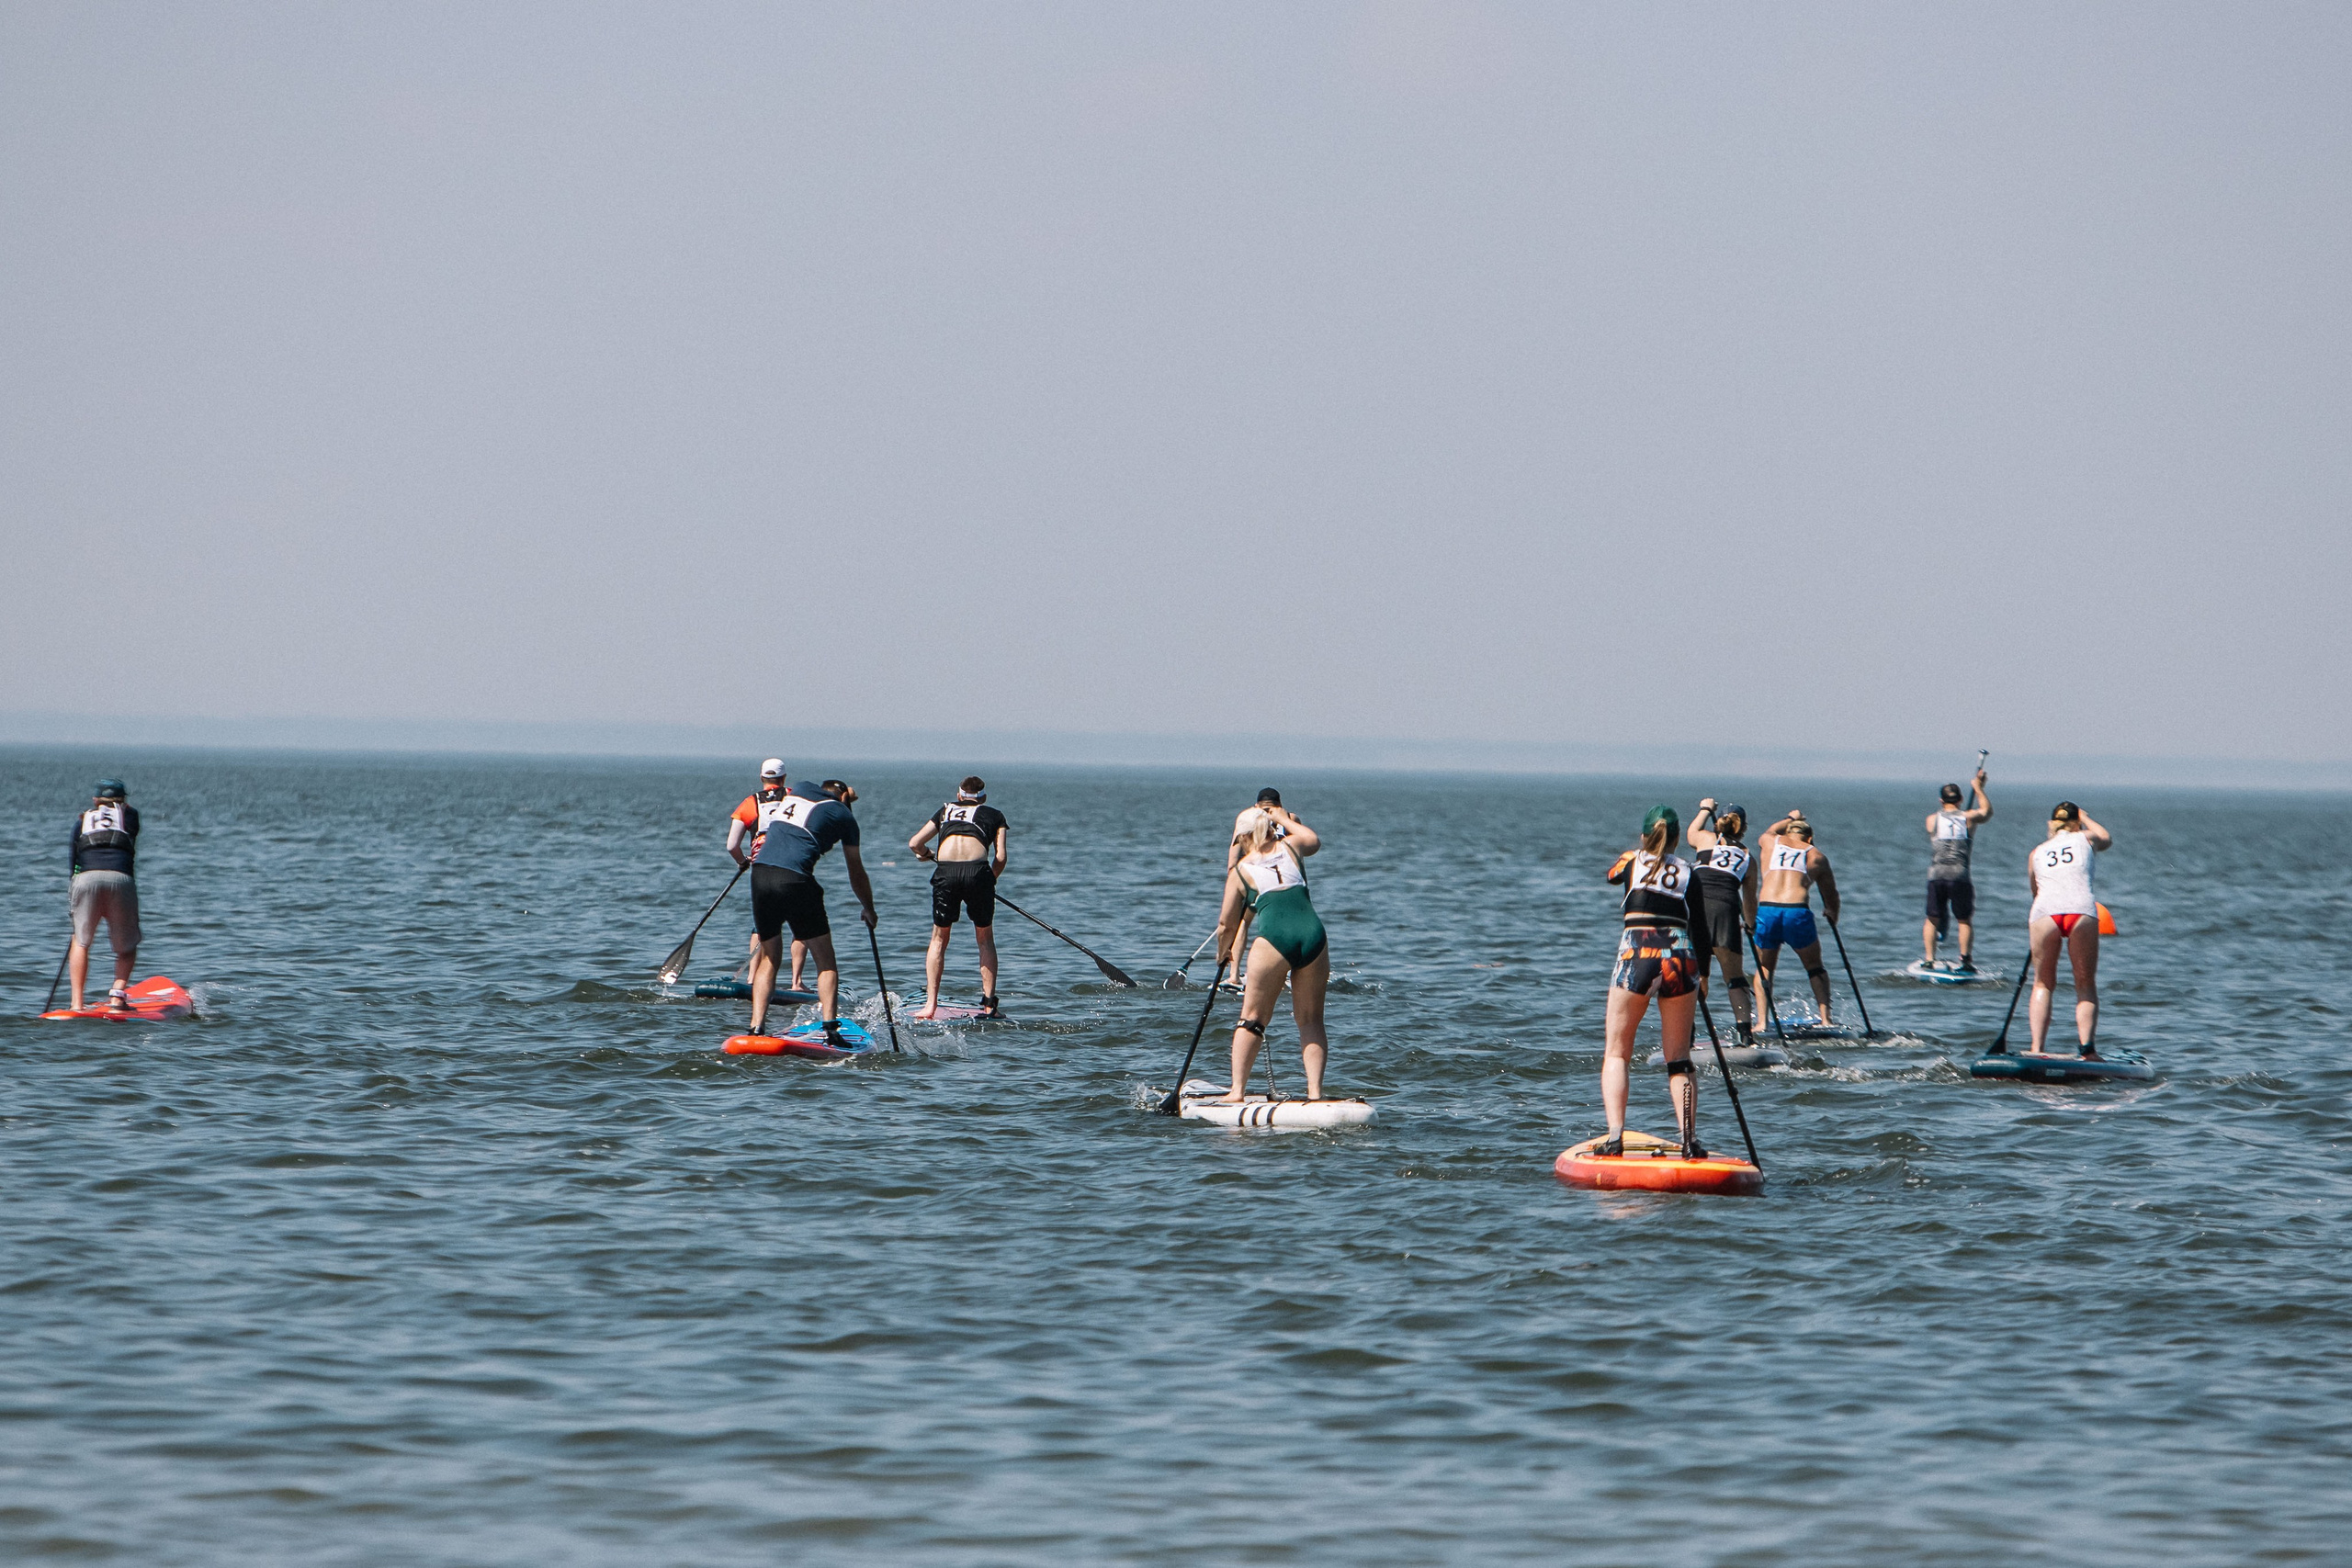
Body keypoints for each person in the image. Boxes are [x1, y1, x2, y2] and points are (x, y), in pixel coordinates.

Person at [1598, 806, 1713, 1159]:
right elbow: (1702, 930)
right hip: (1681, 956)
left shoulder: (1632, 861)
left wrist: (1638, 851)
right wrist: (1703, 977)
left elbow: (1612, 876)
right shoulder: (1689, 871)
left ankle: (1616, 1138)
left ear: (1645, 836)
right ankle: (1689, 1141)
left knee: (1617, 1051)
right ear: (1678, 839)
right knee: (1678, 1058)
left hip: (1638, 955)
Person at [737, 765, 876, 1041]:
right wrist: (868, 907)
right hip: (796, 880)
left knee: (769, 958)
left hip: (760, 874)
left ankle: (756, 1027)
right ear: (845, 799)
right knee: (826, 961)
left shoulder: (798, 789)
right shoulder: (844, 816)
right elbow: (855, 870)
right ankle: (831, 1031)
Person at [1213, 801, 1330, 1101]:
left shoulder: (1240, 871)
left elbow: (1226, 924)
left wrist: (1223, 953)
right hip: (1313, 936)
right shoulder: (1291, 847)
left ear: (1243, 838)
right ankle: (1315, 1093)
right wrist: (1281, 817)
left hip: (1274, 940)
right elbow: (1313, 839)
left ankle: (1236, 1092)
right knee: (1311, 1020)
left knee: (1251, 1019)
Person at [908, 776, 1009, 1019]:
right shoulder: (995, 815)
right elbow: (1001, 857)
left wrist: (926, 854)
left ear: (960, 795)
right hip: (978, 873)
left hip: (946, 872)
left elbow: (914, 843)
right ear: (982, 798)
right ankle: (989, 1006)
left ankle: (930, 1005)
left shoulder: (945, 810)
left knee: (939, 938)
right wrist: (988, 881)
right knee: (984, 939)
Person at [2023, 801, 2112, 1056]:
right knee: (2084, 983)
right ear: (2077, 823)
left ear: (2052, 825)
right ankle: (2087, 1049)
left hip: (2044, 912)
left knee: (2042, 984)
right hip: (2080, 910)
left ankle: (2036, 1048)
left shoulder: (2037, 852)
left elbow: (2035, 891)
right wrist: (2087, 817)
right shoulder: (2086, 838)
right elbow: (2106, 838)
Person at [1752, 810, 1841, 1027]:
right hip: (1796, 911)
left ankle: (1762, 1022)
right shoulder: (1816, 856)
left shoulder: (1770, 842)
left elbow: (1771, 830)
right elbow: (1831, 895)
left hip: (1767, 910)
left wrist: (1791, 818)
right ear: (1809, 838)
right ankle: (1826, 1020)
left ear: (1787, 832)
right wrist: (1832, 913)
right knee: (1814, 967)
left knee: (1764, 967)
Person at [1686, 799, 1759, 1043]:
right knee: (1735, 979)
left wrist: (1705, 809)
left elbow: (1690, 834)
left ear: (1718, 822)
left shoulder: (1706, 839)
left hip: (1695, 909)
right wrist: (1750, 926)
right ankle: (1746, 1036)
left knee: (1696, 977)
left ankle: (1688, 1036)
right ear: (1743, 829)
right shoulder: (1748, 858)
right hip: (1726, 911)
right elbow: (1749, 903)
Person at [66, 779, 141, 1011]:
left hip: (85, 878)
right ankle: (117, 998)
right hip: (120, 879)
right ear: (124, 801)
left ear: (95, 801)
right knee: (126, 947)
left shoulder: (81, 821)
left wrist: (76, 889)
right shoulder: (130, 816)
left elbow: (74, 856)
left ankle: (76, 1004)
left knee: (80, 941)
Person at [1922, 769, 1993, 970]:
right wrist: (1979, 788)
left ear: (1940, 800)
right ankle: (1965, 960)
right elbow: (1987, 812)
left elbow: (1937, 825)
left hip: (1937, 875)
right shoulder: (1968, 818)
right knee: (1964, 920)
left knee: (1932, 918)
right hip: (1960, 875)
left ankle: (1929, 959)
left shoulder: (1932, 820)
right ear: (1961, 799)